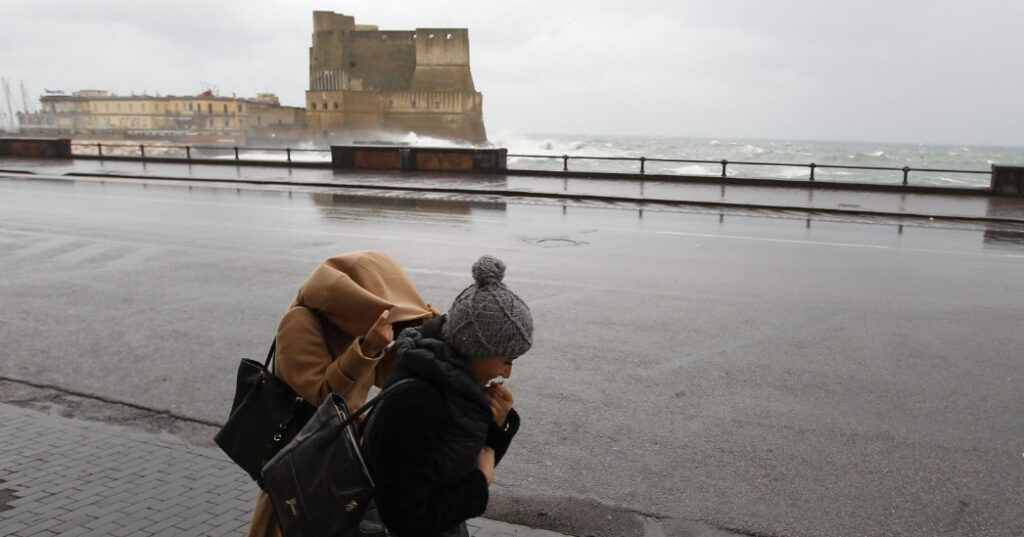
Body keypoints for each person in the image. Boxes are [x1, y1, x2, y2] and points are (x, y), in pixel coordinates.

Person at [247, 250, 440, 537]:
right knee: (295, 522)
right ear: (356, 299)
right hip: (304, 457)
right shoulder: (300, 321)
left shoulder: (355, 323)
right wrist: (366, 350)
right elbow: (322, 396)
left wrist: (419, 333)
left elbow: (386, 378)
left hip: (343, 454)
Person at [361, 255, 534, 537]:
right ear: (476, 348)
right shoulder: (417, 402)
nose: (508, 372)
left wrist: (496, 427)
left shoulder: (451, 385)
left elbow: (458, 462)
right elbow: (406, 519)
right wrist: (480, 483)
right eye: (507, 359)